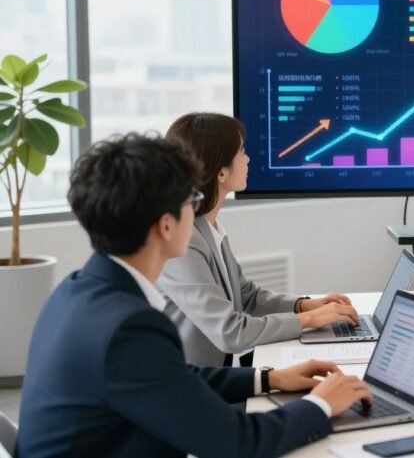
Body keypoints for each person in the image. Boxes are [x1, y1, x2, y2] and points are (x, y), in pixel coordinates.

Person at [16, 133, 372, 458]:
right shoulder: (128, 326)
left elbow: (170, 376)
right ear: (166, 225)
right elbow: (236, 442)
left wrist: (266, 378)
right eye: (192, 199)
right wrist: (321, 406)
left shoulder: (77, 289)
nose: (197, 210)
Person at [159, 113, 358, 367]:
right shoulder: (182, 242)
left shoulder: (207, 227)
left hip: (216, 378)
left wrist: (305, 305)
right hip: (191, 389)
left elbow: (247, 296)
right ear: (221, 173)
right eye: (242, 152)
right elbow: (231, 332)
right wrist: (311, 320)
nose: (248, 159)